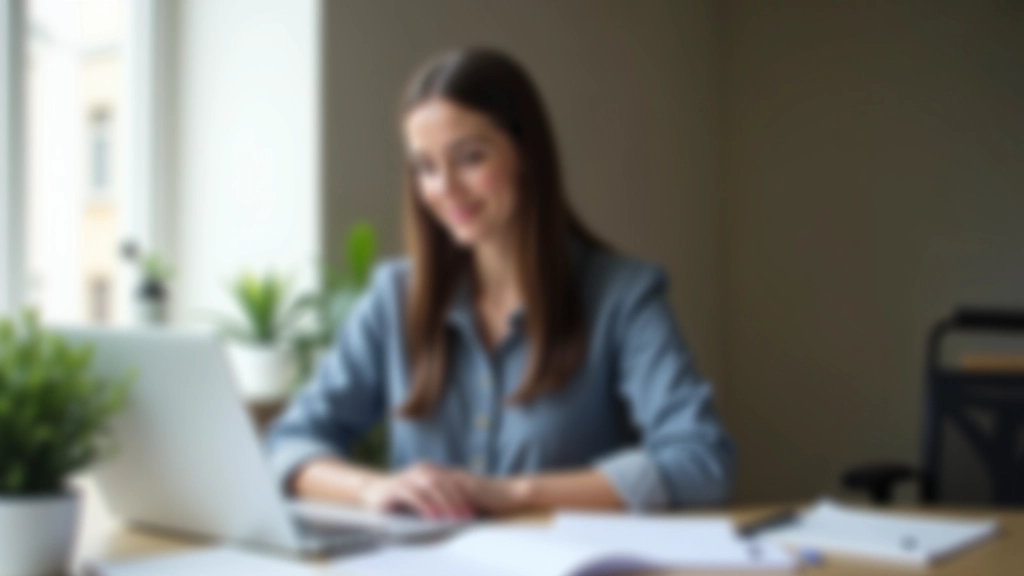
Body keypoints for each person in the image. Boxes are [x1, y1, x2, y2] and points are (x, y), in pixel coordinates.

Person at [266, 47, 734, 519]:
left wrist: (513, 493)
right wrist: (372, 488)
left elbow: (701, 461)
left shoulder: (624, 294)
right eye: (426, 167)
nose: (445, 187)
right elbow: (288, 443)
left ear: (526, 153)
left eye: (470, 157)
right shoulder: (395, 297)